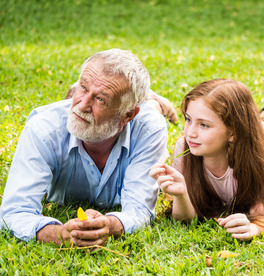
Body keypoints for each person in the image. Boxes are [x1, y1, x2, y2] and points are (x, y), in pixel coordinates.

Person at [0, 49, 168, 245]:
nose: (82, 105)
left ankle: (154, 103)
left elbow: (140, 209)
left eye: (101, 99)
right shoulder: (42, 129)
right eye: (83, 88)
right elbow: (14, 211)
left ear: (128, 116)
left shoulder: (149, 129)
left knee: (151, 115)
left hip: (139, 120)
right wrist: (59, 234)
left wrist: (111, 225)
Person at [150, 79, 264, 241]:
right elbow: (184, 220)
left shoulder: (257, 162)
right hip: (246, 136)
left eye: (204, 125)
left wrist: (254, 228)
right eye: (188, 119)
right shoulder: (185, 148)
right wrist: (180, 193)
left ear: (233, 132)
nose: (190, 133)